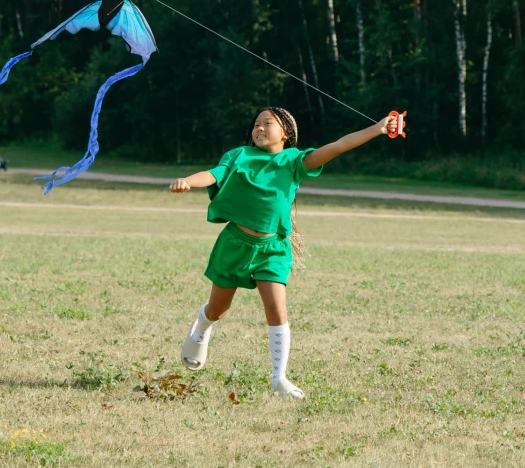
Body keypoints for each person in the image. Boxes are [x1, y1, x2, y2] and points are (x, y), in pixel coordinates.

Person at [168, 106, 395, 398]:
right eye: (256, 124)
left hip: (273, 248)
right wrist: (188, 181)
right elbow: (213, 175)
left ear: (286, 133)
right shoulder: (239, 156)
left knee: (277, 310)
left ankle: (279, 379)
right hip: (234, 244)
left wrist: (377, 128)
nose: (260, 128)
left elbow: (339, 145)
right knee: (219, 309)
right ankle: (202, 325)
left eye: (268, 123)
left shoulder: (295, 161)